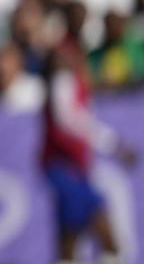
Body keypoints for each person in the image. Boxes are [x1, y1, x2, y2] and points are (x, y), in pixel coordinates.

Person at [42, 38, 137, 264]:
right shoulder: (62, 81)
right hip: (63, 168)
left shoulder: (73, 84)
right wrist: (112, 144)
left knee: (70, 237)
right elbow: (69, 120)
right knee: (99, 230)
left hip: (73, 169)